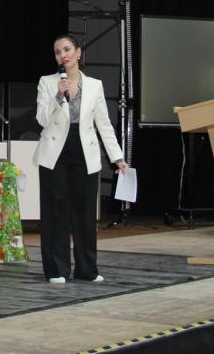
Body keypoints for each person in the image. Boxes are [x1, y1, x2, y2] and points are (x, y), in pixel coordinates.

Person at [34, 34, 128, 284]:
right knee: (56, 211)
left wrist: (117, 157)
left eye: (66, 49)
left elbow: (103, 124)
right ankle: (57, 269)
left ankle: (87, 269)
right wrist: (58, 96)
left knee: (85, 212)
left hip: (85, 150)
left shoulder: (95, 85)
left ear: (78, 52)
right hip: (55, 152)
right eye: (57, 52)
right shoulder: (47, 82)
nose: (62, 55)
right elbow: (42, 119)